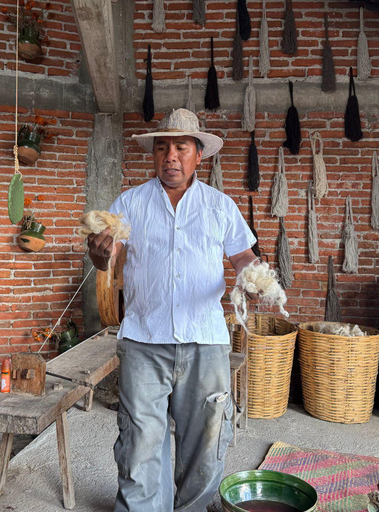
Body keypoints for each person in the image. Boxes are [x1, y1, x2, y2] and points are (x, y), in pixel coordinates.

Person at [87, 108, 259, 512]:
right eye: (162, 148)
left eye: (181, 147)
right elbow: (108, 255)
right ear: (154, 155)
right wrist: (100, 254)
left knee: (207, 442)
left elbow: (243, 257)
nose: (170, 157)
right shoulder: (130, 203)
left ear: (199, 155)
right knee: (140, 441)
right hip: (145, 340)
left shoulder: (220, 206)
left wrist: (252, 278)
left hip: (205, 341)